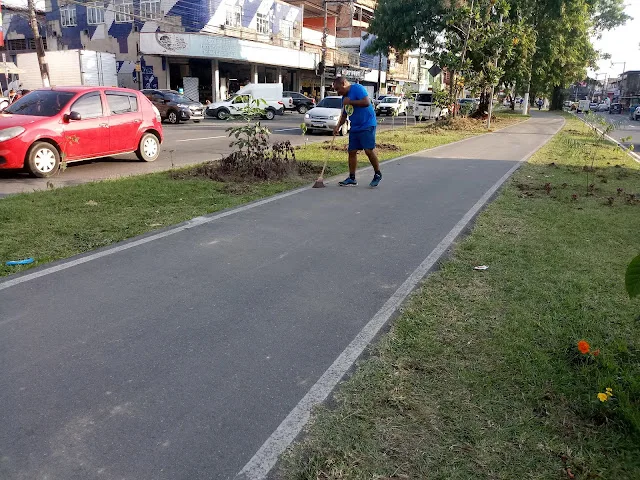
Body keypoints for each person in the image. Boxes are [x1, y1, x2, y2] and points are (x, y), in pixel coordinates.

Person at [332, 77, 382, 187]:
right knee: (352, 151)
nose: (338, 92)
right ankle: (352, 178)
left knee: (368, 150)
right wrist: (338, 127)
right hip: (355, 127)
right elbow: (344, 115)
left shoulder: (357, 88)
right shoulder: (344, 98)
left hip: (367, 124)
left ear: (344, 83)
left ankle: (377, 174)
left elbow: (366, 102)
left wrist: (350, 102)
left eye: (338, 89)